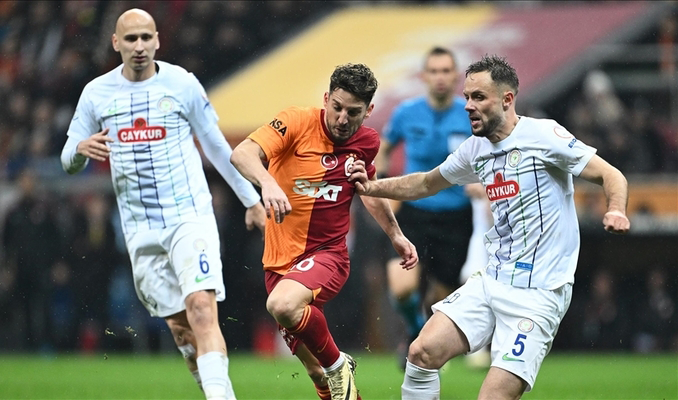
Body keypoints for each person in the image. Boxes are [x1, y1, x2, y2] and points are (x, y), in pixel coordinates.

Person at [349, 54, 630, 399]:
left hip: (539, 294)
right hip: (492, 281)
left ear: (507, 99)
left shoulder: (544, 135)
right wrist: (371, 186)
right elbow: (425, 183)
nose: (468, 105)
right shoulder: (475, 149)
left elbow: (611, 174)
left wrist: (616, 210)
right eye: (467, 97)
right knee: (421, 353)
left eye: (479, 97)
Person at [60, 9, 266, 400]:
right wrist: (80, 151)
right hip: (139, 229)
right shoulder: (97, 93)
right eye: (131, 38)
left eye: (145, 37)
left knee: (201, 308)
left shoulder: (182, 84)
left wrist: (250, 199)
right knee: (182, 331)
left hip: (188, 216)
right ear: (116, 43)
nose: (139, 46)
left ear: (157, 40)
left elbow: (216, 146)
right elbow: (68, 158)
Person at [230, 63, 418, 400]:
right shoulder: (295, 122)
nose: (343, 119)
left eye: (354, 112)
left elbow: (369, 191)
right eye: (337, 107)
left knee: (283, 306)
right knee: (316, 372)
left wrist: (396, 235)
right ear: (326, 99)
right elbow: (242, 153)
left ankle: (339, 364)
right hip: (278, 262)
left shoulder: (366, 142)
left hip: (327, 255)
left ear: (368, 111)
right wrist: (268, 182)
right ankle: (335, 376)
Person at [375, 46, 478, 367]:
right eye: (434, 71)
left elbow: (490, 152)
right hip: (414, 213)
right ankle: (413, 329)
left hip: (456, 216)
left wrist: (482, 182)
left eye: (446, 70)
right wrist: (383, 188)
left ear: (456, 75)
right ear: (423, 76)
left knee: (443, 297)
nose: (440, 77)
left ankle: (425, 342)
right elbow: (383, 150)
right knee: (401, 288)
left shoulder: (470, 113)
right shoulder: (406, 113)